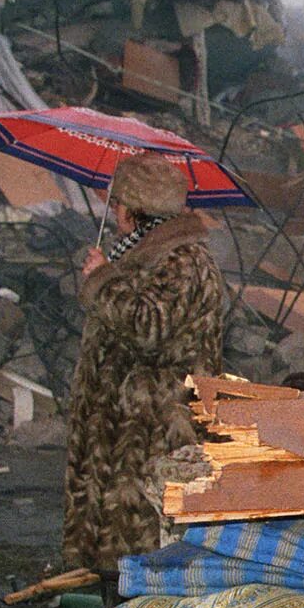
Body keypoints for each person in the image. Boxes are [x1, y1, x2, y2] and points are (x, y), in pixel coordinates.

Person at [62, 154, 225, 575]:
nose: (112, 210)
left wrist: (102, 281)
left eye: (117, 203)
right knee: (109, 540)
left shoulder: (183, 261)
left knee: (144, 539)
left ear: (136, 208)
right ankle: (104, 588)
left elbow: (148, 327)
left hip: (152, 426)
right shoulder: (141, 254)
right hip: (121, 424)